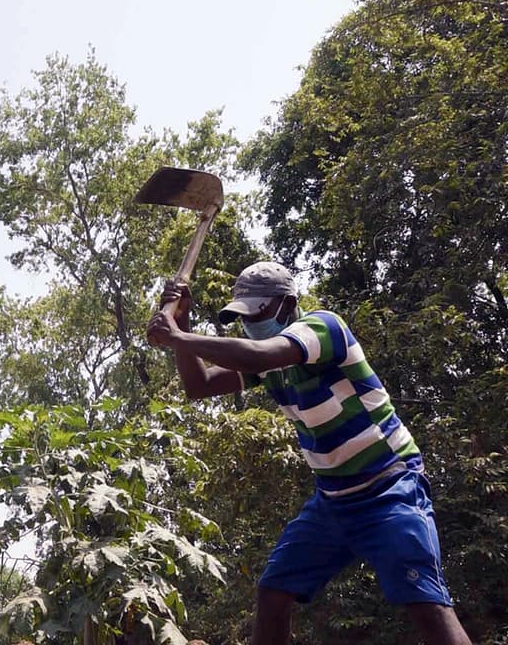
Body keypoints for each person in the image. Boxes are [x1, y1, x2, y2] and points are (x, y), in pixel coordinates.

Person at [146, 261, 470, 645]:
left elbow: (258, 354)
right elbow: (199, 385)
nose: (251, 323)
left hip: (389, 487)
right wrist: (180, 327)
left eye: (259, 313)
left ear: (288, 304)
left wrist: (178, 338)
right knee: (274, 593)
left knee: (426, 604)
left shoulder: (323, 328)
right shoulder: (270, 365)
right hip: (332, 501)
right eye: (244, 317)